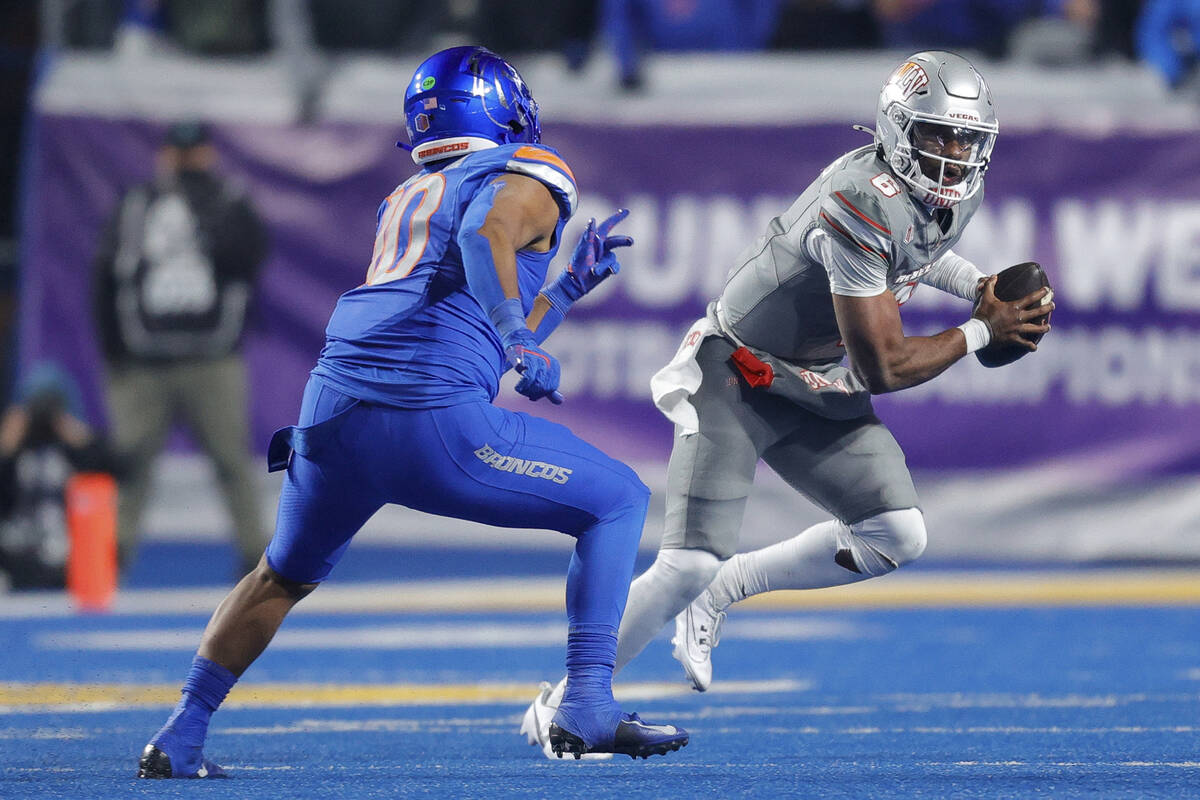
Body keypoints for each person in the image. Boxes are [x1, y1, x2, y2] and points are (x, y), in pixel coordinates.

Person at [136, 46, 689, 779]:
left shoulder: (408, 196)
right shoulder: (531, 169)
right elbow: (483, 240)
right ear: (501, 107)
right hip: (422, 416)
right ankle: (586, 701)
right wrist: (523, 332)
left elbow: (465, 333)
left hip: (333, 414)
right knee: (619, 499)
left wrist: (557, 298)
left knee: (280, 575)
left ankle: (182, 732)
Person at [522, 50, 1053, 755]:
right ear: (898, 131)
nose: (954, 155)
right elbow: (885, 364)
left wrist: (974, 286)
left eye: (966, 139)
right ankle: (562, 704)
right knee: (687, 564)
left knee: (898, 534)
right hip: (737, 371)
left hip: (814, 378)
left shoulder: (944, 193)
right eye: (938, 135)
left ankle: (730, 589)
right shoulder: (861, 198)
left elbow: (917, 255)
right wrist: (982, 327)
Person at [92, 120, 268, 578]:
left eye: (194, 152)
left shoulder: (229, 201)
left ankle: (259, 560)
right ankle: (107, 560)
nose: (187, 160)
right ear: (163, 153)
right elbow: (107, 276)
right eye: (179, 151)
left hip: (211, 358)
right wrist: (115, 352)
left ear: (208, 153)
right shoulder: (137, 203)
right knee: (129, 464)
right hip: (143, 361)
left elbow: (248, 259)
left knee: (232, 461)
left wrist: (204, 208)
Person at [0, 363, 120, 590]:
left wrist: (82, 443)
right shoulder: (15, 449)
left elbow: (115, 474)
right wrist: (6, 449)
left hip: (72, 557)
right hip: (16, 552)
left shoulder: (78, 448)